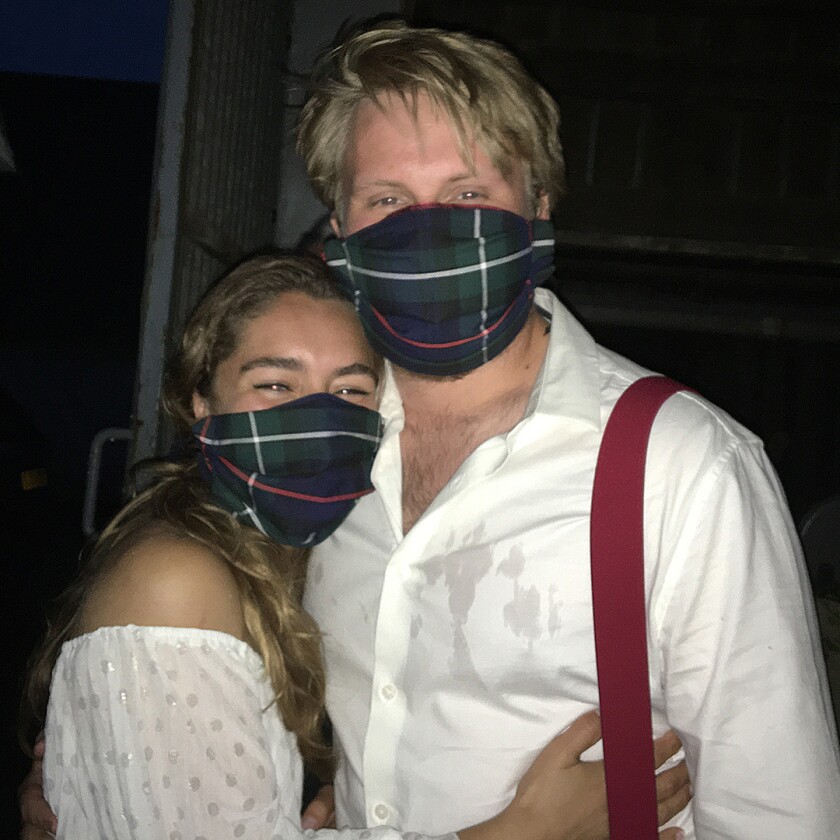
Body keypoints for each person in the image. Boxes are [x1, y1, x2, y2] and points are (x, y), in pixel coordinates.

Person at [289, 20, 840, 839]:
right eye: (388, 200)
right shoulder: (314, 448)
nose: (430, 227)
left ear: (539, 209)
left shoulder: (684, 468)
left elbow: (778, 819)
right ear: (341, 233)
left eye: (471, 194)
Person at [19, 253, 690, 839]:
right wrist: (528, 830)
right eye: (275, 384)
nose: (316, 418)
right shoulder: (174, 576)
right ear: (201, 400)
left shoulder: (305, 553)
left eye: (348, 390)